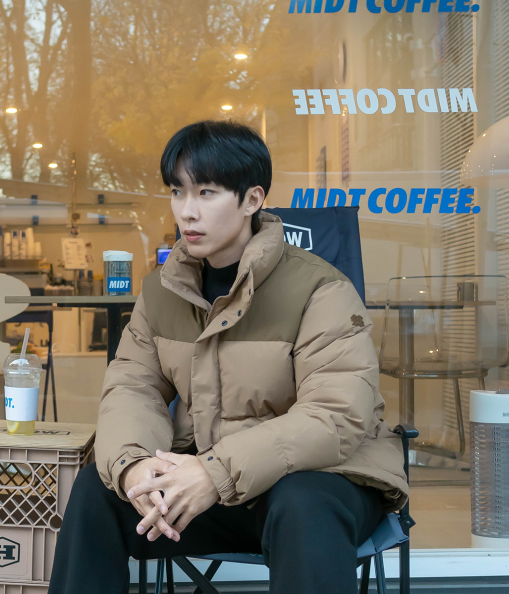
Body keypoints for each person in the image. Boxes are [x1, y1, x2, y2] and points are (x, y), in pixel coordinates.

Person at [48, 120, 408, 594]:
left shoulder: (321, 289)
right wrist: (134, 465)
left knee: (303, 504)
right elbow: (132, 387)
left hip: (318, 479)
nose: (187, 211)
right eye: (178, 192)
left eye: (207, 193)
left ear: (252, 200)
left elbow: (335, 416)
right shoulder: (161, 293)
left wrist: (214, 472)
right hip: (207, 485)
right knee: (99, 490)